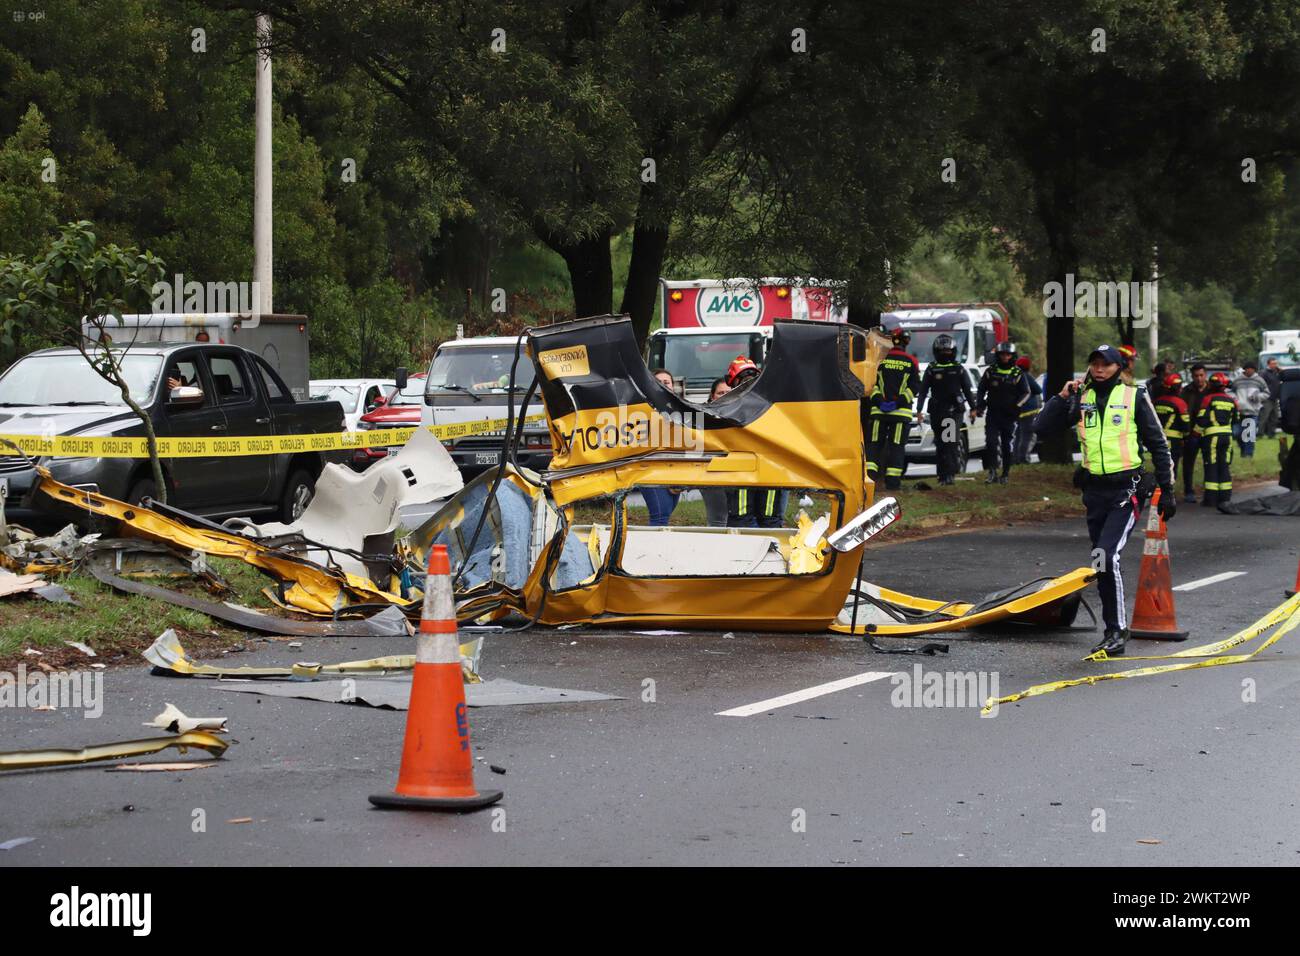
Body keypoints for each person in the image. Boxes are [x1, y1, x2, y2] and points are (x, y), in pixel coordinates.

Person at [1033, 344, 1175, 656]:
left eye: (1106, 365)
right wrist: (1061, 397)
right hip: (1094, 492)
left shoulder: (1134, 396)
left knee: (1107, 556)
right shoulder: (1080, 398)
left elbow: (1159, 444)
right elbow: (1040, 428)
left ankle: (1116, 630)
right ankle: (1113, 627)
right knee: (1100, 562)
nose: (1099, 369)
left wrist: (1168, 488)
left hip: (1127, 490)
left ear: (1119, 368)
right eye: (1095, 364)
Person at [722, 357, 787, 527]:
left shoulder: (771, 401)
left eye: (751, 378)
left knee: (769, 517)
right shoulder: (727, 404)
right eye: (744, 380)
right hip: (741, 468)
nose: (748, 383)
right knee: (742, 518)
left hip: (769, 467)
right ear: (734, 382)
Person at [914, 333, 974, 485]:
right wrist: (919, 410)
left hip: (953, 412)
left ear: (953, 352)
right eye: (942, 351)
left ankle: (950, 475)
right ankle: (942, 475)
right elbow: (923, 390)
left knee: (950, 443)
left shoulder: (958, 369)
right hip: (937, 411)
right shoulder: (932, 369)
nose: (945, 354)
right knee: (940, 444)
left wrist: (974, 408)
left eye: (948, 351)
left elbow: (967, 389)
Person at [865, 329, 920, 491]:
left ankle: (869, 480)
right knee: (896, 446)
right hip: (900, 414)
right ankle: (893, 483)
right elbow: (914, 387)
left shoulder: (880, 360)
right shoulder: (911, 361)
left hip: (878, 413)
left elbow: (871, 384)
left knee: (874, 445)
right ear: (906, 342)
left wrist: (880, 401)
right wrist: (899, 403)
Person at [973, 341, 1030, 483]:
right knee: (991, 442)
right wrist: (980, 405)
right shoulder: (990, 371)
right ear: (998, 355)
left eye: (1008, 355)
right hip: (993, 413)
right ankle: (992, 471)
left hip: (1009, 416)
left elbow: (1026, 392)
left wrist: (1017, 406)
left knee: (1006, 444)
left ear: (1012, 356)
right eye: (1003, 355)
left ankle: (1005, 473)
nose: (1005, 357)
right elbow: (981, 389)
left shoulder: (1018, 373)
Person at [1197, 371, 1239, 508]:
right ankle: (1225, 498)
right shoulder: (1232, 400)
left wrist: (1196, 432)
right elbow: (1236, 419)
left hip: (1212, 437)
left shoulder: (1208, 399)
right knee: (1224, 465)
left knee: (1212, 465)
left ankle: (1211, 499)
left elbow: (1202, 418)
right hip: (1227, 437)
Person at [702, 377, 732, 526]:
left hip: (735, 471)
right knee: (718, 519)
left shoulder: (743, 412)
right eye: (721, 393)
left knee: (736, 519)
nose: (725, 395)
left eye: (729, 392)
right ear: (712, 396)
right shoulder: (703, 415)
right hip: (711, 472)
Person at [1153, 371, 1191, 487]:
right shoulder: (1180, 403)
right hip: (1174, 441)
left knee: (1159, 467)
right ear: (1178, 388)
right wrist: (1186, 437)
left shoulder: (1156, 401)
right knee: (1171, 469)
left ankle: (1155, 498)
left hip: (1157, 439)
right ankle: (1167, 497)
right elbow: (1185, 425)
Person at [1179, 364, 1208, 502]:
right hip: (1191, 433)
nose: (1199, 378)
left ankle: (1209, 491)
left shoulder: (1211, 390)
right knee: (1188, 462)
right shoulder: (1186, 391)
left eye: (1201, 375)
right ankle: (1188, 491)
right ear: (1192, 376)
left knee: (1209, 462)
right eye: (1196, 376)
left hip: (1209, 432)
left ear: (1205, 375)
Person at [1230, 362, 1267, 458]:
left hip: (1252, 411)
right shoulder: (1237, 380)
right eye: (1247, 368)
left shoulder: (1259, 380)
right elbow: (1230, 391)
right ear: (1244, 369)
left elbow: (1267, 393)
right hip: (1239, 411)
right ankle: (1243, 449)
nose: (1249, 370)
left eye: (1251, 368)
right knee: (1236, 433)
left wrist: (1257, 397)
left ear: (1254, 370)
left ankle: (1248, 454)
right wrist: (1234, 399)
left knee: (1249, 434)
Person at [1013, 355, 1042, 464]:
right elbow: (1038, 390)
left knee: (1018, 435)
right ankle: (1023, 459)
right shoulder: (1026, 376)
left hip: (1019, 410)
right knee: (1027, 436)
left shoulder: (1015, 376)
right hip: (1029, 411)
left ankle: (1015, 458)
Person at [1260, 357, 1283, 437]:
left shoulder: (1277, 372)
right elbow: (1261, 384)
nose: (1275, 365)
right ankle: (1260, 433)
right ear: (1268, 364)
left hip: (1275, 398)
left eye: (1276, 363)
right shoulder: (1264, 373)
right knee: (1264, 417)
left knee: (1274, 417)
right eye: (1273, 363)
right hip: (1267, 398)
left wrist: (1281, 371)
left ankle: (1271, 434)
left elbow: (1283, 376)